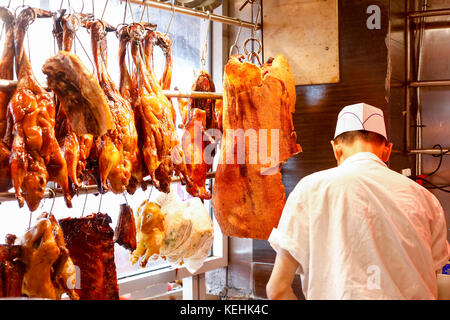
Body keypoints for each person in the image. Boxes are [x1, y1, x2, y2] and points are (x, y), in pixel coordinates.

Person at [266, 103, 450, 300]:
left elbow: (277, 290)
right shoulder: (426, 200)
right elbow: (437, 279)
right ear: (387, 152)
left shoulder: (309, 190)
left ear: (336, 150)